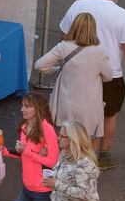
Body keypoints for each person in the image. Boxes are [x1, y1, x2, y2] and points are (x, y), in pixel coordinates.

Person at [59, 0, 125, 169]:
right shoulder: (122, 15)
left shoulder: (78, 5)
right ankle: (103, 156)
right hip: (109, 74)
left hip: (79, 71)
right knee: (109, 114)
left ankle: (72, 153)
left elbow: (64, 35)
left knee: (77, 114)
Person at [36, 14, 112, 145]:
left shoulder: (63, 47)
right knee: (85, 144)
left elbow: (40, 65)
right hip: (89, 108)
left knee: (66, 141)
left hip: (66, 106)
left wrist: (56, 70)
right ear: (93, 29)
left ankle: (65, 164)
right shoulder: (99, 51)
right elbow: (108, 76)